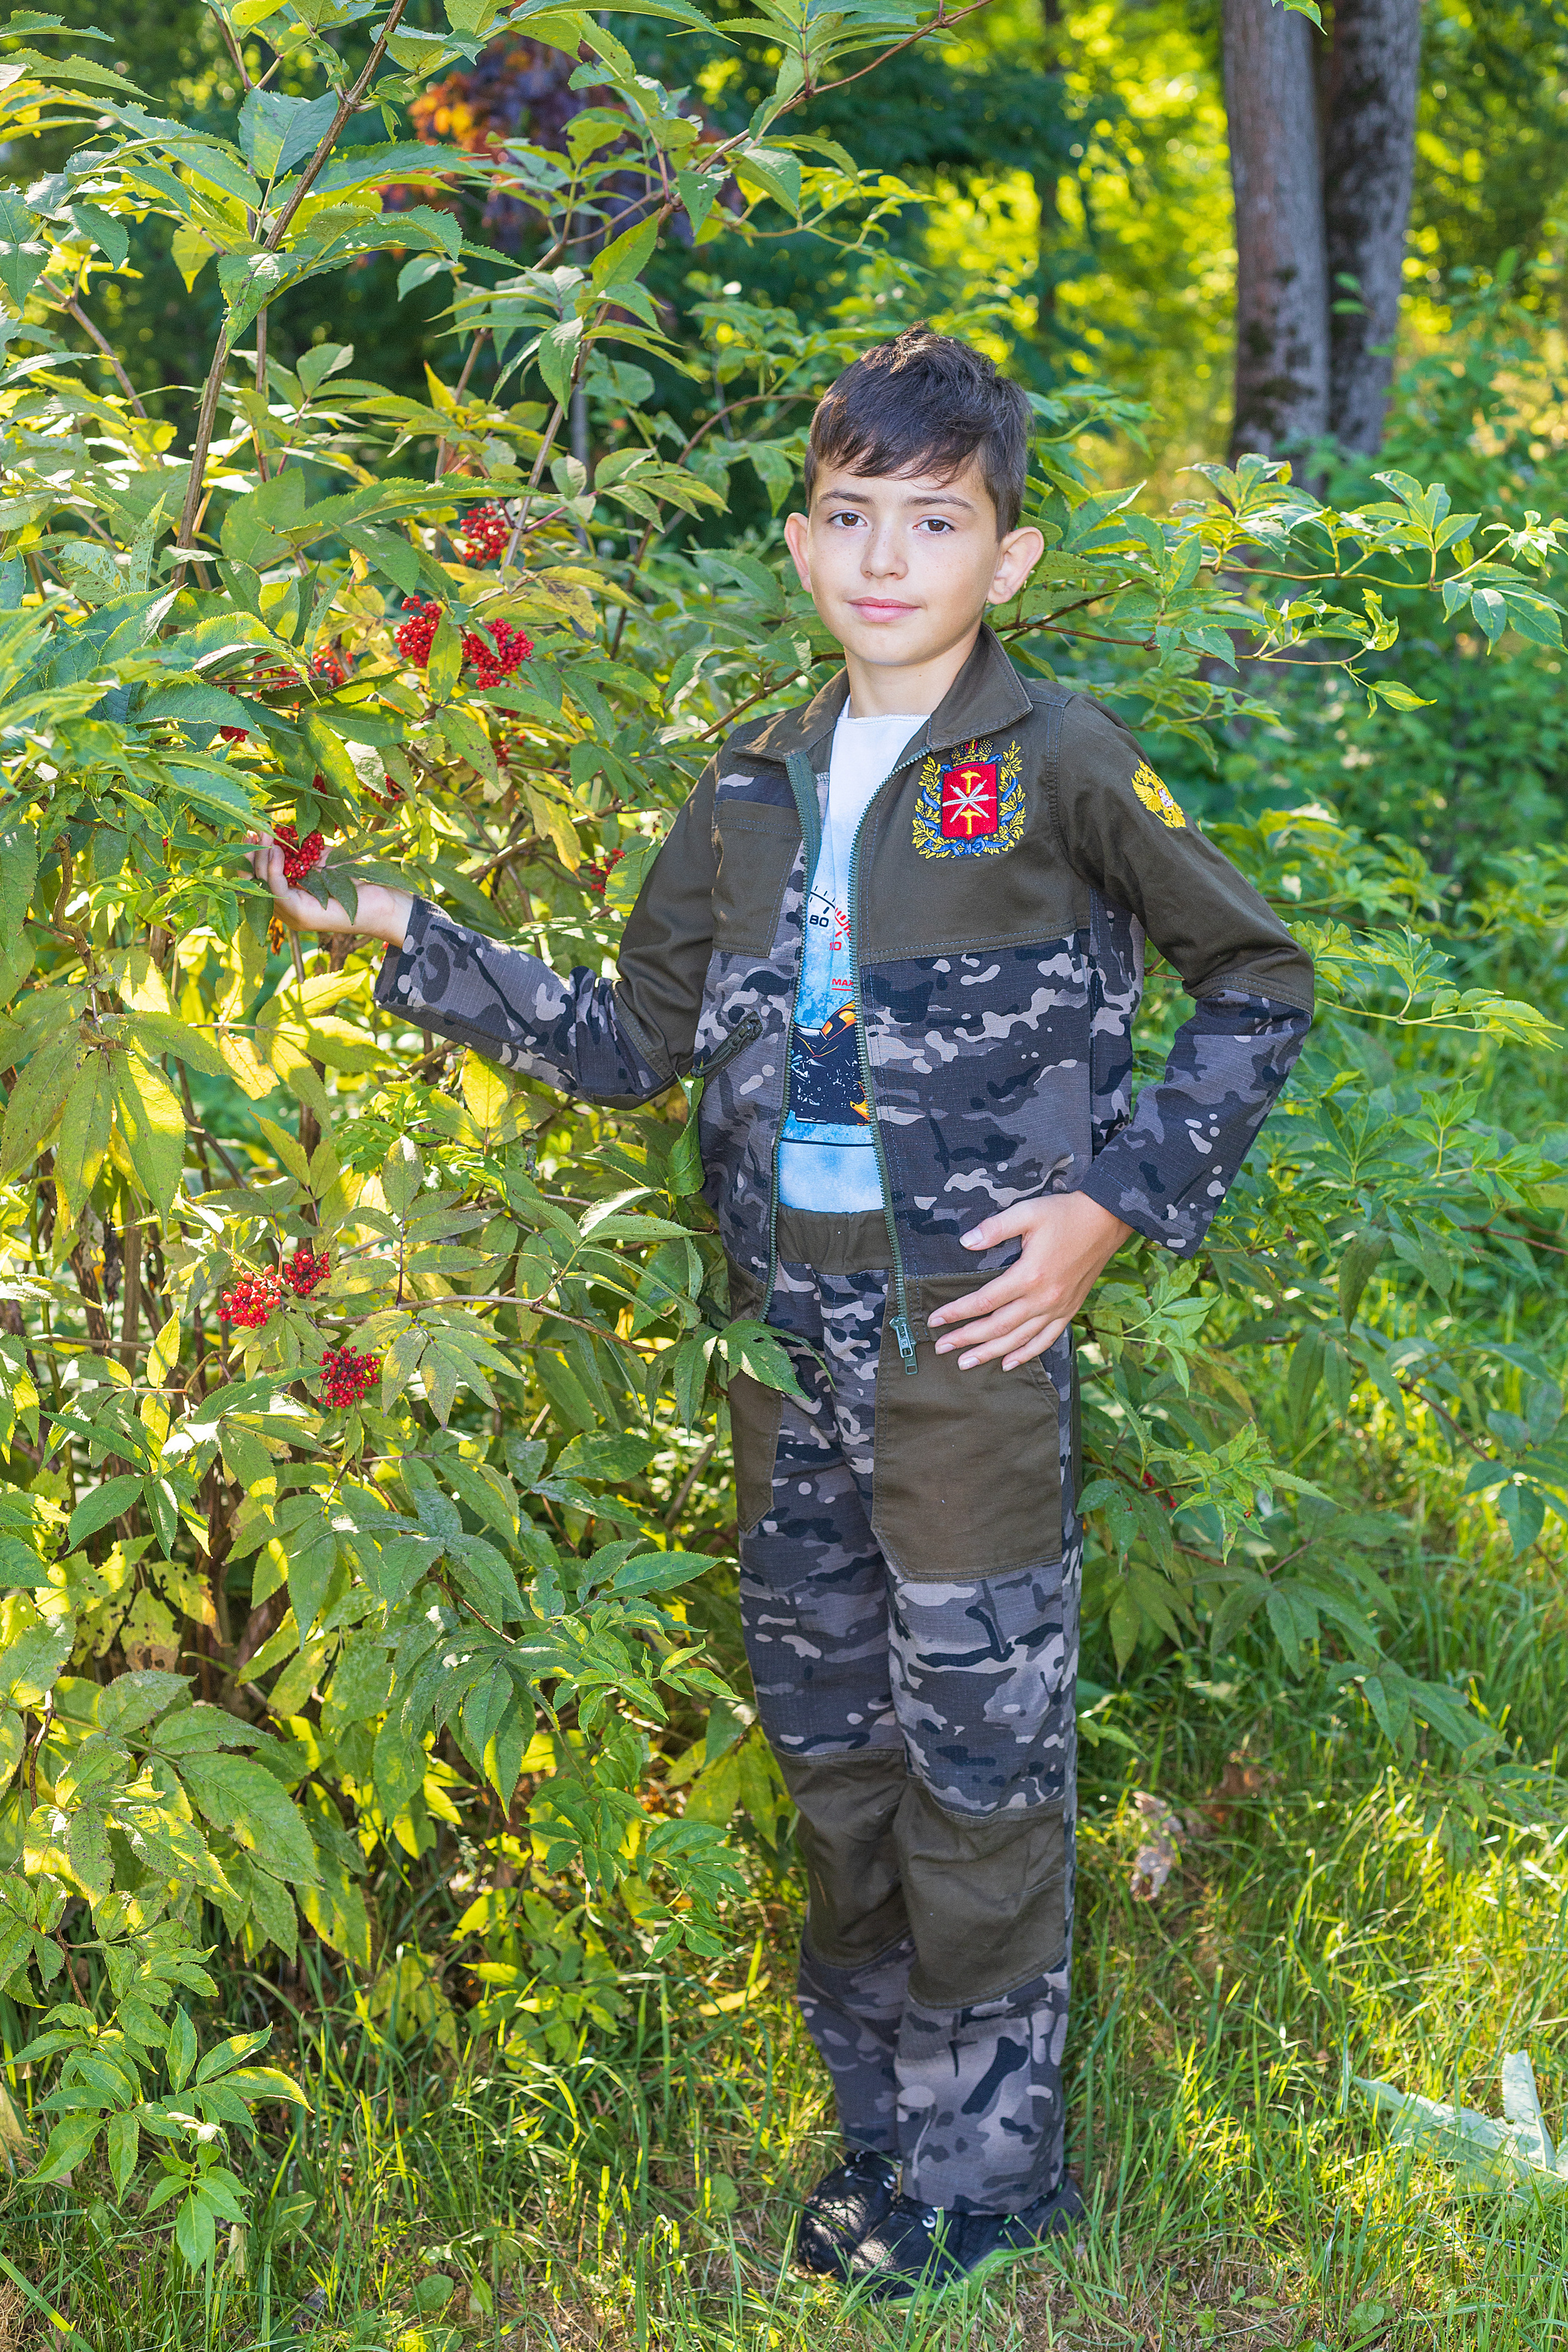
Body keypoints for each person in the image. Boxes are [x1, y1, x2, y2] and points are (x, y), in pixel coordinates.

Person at [252, 325, 1314, 2301]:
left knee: (976, 1756)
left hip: (965, 1350)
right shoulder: (747, 779)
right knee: (834, 1747)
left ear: (1008, 556)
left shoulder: (1059, 761)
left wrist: (1113, 1205)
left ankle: (996, 2173)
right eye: (849, 514)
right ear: (804, 545)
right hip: (782, 1345)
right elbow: (632, 1043)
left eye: (934, 518)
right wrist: (409, 937)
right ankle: (888, 2126)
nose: (885, 555)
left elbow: (1258, 981)